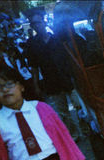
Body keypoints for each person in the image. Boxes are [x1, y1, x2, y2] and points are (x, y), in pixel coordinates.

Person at [25, 12, 80, 141]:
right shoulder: (32, 44)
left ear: (44, 22)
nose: (36, 26)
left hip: (68, 79)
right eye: (33, 24)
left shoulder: (57, 39)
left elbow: (70, 59)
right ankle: (74, 135)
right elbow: (34, 67)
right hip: (52, 83)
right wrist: (36, 85)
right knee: (62, 112)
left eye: (38, 22)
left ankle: (86, 129)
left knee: (79, 106)